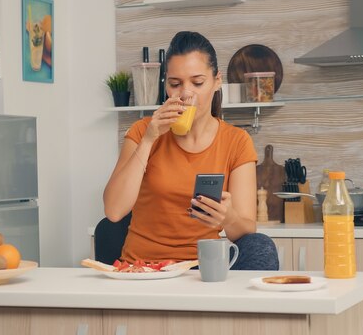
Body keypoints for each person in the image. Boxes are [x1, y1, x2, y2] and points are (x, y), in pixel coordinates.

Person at [103, 31, 278, 270]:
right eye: (175, 84)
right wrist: (149, 139)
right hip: (146, 267)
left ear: (217, 81)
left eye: (197, 83)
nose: (186, 93)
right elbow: (114, 211)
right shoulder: (143, 131)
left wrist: (227, 217)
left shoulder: (237, 141)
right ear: (166, 86)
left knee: (261, 245)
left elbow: (245, 230)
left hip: (203, 269)